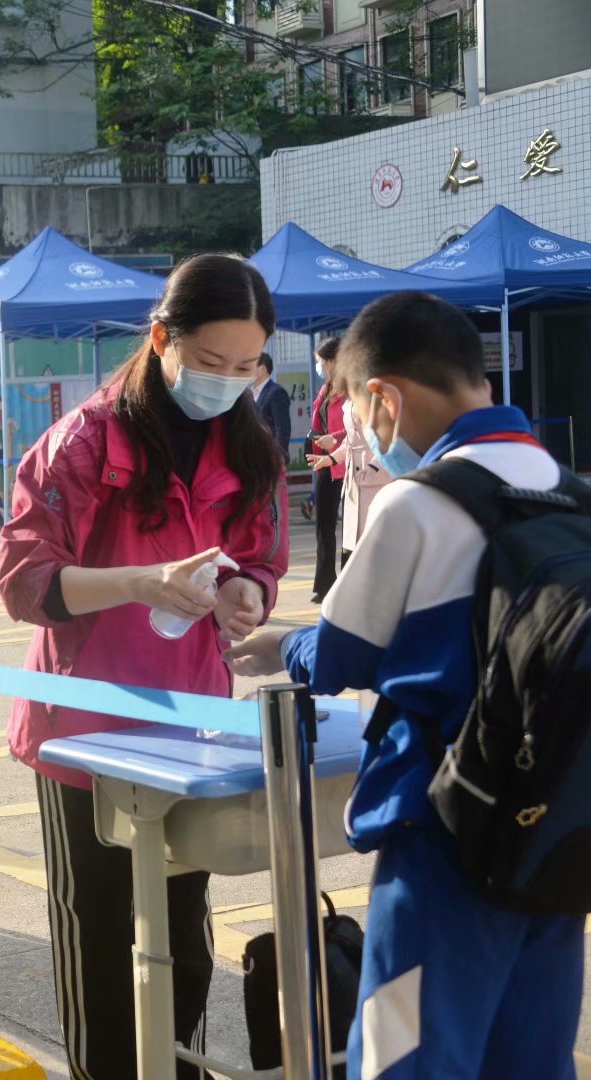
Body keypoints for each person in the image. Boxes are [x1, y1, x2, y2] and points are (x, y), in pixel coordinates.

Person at [228, 292, 583, 1080]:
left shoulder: (420, 501)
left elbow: (342, 653)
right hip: (560, 835)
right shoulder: (572, 491)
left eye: (358, 415)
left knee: (403, 1056)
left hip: (445, 837)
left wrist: (279, 645)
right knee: (533, 1057)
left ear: (384, 399)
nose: (364, 435)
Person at [0, 254, 288, 1080]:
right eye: (211, 361)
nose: (228, 381)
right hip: (82, 736)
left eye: (246, 366)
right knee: (99, 938)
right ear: (162, 340)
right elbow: (23, 582)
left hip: (190, 729)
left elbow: (262, 557)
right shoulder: (83, 442)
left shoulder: (251, 448)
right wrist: (139, 582)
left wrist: (247, 594)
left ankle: (174, 1068)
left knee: (184, 941)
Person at [308, 338, 347, 603]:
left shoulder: (352, 388)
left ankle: (347, 585)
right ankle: (325, 585)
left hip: (347, 463)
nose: (319, 366)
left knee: (352, 530)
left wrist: (334, 438)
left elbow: (357, 426)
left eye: (320, 362)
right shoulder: (326, 389)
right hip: (325, 463)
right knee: (324, 526)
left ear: (332, 361)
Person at [339, 383, 391, 569]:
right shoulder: (349, 399)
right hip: (354, 472)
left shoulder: (373, 396)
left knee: (373, 538)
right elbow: (349, 440)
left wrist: (374, 466)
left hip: (373, 471)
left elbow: (387, 436)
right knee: (353, 542)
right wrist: (331, 458)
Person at [252, 352, 292, 457]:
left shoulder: (276, 392)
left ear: (262, 369)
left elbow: (282, 429)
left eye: (251, 366)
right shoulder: (248, 394)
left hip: (269, 456)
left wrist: (278, 457)